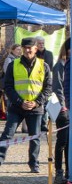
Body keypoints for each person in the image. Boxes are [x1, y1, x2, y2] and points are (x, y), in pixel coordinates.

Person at [0, 37, 52, 173]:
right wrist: (20, 102)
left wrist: (36, 102)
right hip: (17, 107)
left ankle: (34, 163)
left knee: (35, 137)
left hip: (35, 108)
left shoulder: (43, 66)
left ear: (36, 49)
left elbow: (48, 88)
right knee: (7, 135)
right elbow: (8, 86)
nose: (28, 50)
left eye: (31, 47)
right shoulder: (13, 64)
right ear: (22, 49)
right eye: (25, 48)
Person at [51, 39, 72, 184]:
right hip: (61, 107)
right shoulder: (60, 65)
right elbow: (58, 86)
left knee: (70, 142)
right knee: (62, 140)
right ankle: (59, 171)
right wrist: (64, 105)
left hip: (71, 106)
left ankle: (69, 172)